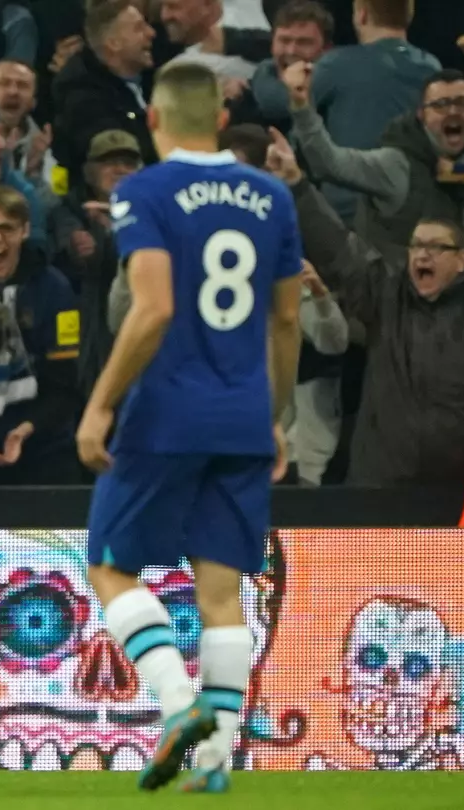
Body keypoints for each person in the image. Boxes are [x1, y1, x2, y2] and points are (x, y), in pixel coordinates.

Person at [75, 62, 303, 793]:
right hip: (243, 415)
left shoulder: (142, 190)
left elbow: (153, 308)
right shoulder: (271, 197)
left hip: (168, 410)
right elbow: (289, 318)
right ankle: (215, 763)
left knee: (110, 567)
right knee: (221, 589)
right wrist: (273, 416)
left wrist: (101, 403)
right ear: (217, 115)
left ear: (155, 119)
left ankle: (178, 706)